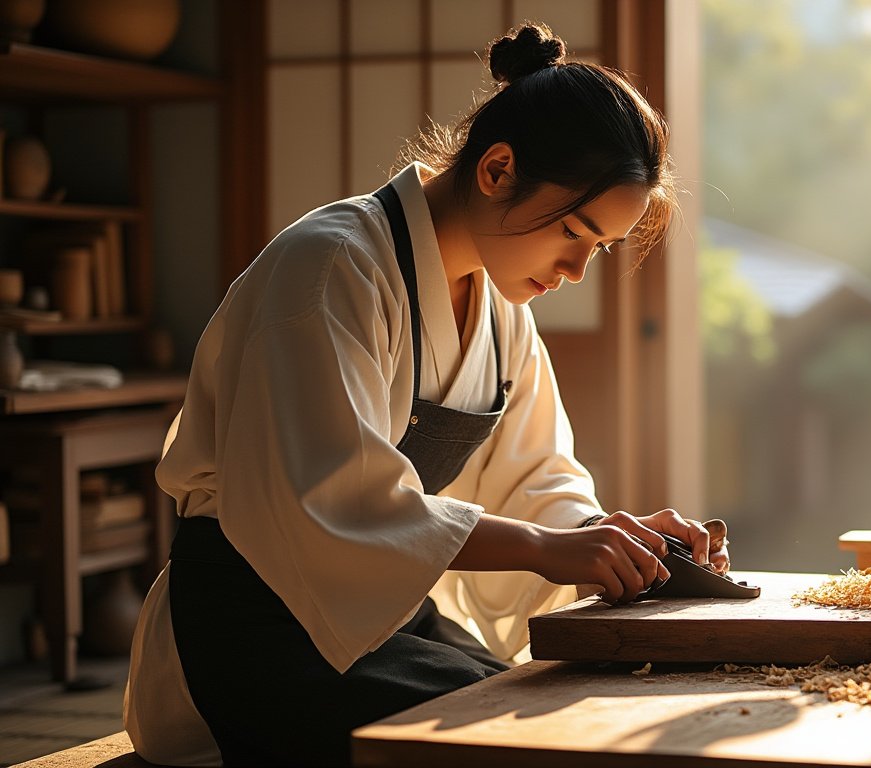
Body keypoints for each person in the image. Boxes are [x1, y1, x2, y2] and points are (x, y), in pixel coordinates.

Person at [124, 23, 728, 768]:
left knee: (552, 719)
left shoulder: (505, 312)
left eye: (597, 248)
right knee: (511, 744)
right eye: (573, 231)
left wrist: (612, 542)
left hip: (382, 617)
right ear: (498, 169)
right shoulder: (331, 267)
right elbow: (330, 499)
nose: (576, 269)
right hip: (253, 621)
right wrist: (549, 548)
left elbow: (535, 479)